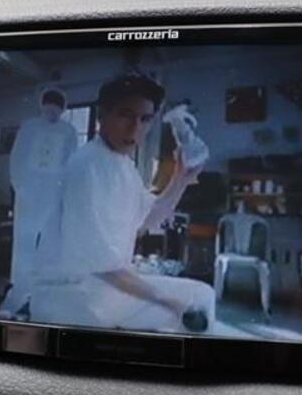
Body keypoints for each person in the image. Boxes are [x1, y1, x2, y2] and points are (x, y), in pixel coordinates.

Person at [30, 74, 214, 333]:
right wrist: (170, 302)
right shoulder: (87, 166)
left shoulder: (124, 166)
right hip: (70, 296)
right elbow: (101, 264)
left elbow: (149, 219)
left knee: (200, 295)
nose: (135, 128)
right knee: (188, 306)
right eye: (125, 115)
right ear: (102, 116)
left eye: (145, 119)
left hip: (102, 289)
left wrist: (181, 178)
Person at [0, 86, 78, 315]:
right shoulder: (29, 127)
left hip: (54, 193)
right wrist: (21, 187)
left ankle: (45, 291)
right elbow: (17, 157)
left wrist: (64, 193)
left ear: (63, 110)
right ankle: (19, 289)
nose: (52, 113)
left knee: (52, 243)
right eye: (49, 108)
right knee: (24, 242)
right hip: (29, 193)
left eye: (57, 109)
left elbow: (71, 162)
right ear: (42, 106)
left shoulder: (68, 131)